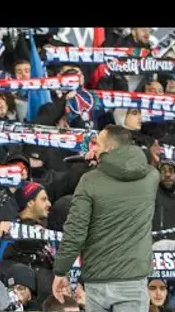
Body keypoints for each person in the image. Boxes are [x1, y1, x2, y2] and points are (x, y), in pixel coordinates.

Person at [52, 125, 159, 312]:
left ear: (109, 149)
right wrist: (103, 163)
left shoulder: (90, 180)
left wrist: (61, 270)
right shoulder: (151, 177)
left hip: (98, 281)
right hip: (133, 280)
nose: (93, 149)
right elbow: (139, 164)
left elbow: (75, 231)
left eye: (98, 145)